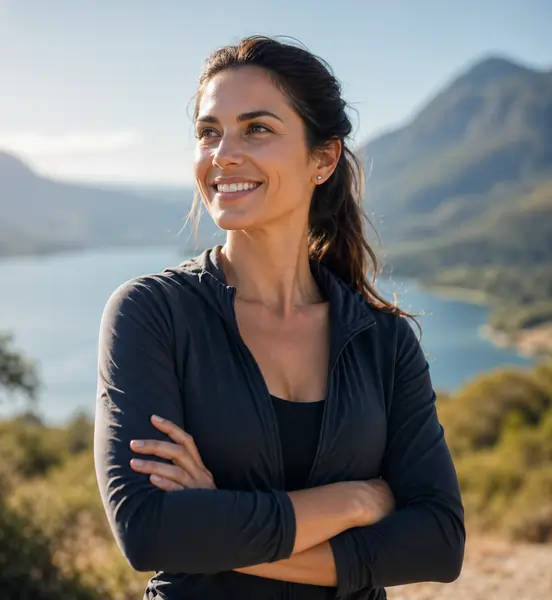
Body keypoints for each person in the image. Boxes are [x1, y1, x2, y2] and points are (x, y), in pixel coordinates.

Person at [94, 35, 465, 600]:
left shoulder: (383, 339)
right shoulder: (153, 313)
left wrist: (222, 522)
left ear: (323, 158)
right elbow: (150, 532)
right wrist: (355, 501)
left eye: (257, 129)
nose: (223, 155)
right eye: (209, 131)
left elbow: (438, 542)